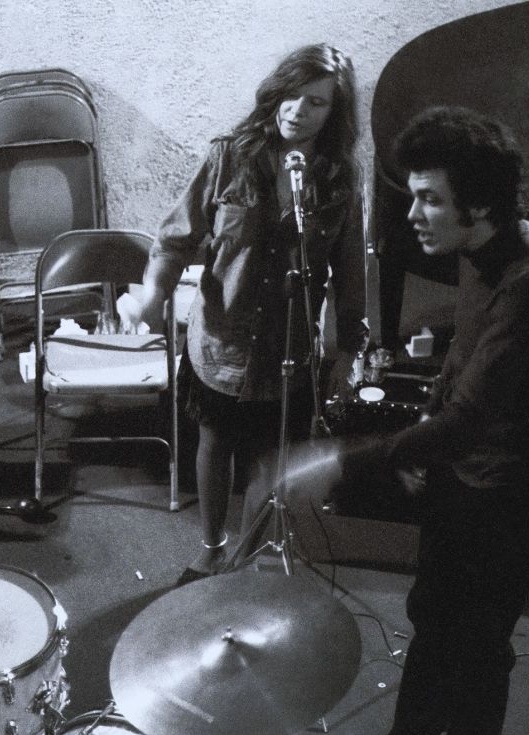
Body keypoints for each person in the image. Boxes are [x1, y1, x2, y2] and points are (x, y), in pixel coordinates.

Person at [335, 106, 529, 735]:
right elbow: (461, 366)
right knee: (433, 619)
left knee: (477, 652)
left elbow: (472, 420)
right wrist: (425, 421)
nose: (413, 214)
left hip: (508, 499)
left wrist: (345, 461)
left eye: (428, 199)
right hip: (467, 481)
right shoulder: (479, 247)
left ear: (475, 206)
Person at [126, 43, 368, 582]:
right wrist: (153, 294)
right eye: (291, 94)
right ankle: (213, 546)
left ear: (335, 113)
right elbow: (173, 241)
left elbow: (352, 272)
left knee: (269, 458)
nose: (296, 110)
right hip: (222, 342)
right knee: (215, 442)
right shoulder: (228, 157)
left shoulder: (341, 183)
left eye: (316, 102)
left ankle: (250, 556)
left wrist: (348, 347)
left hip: (289, 345)